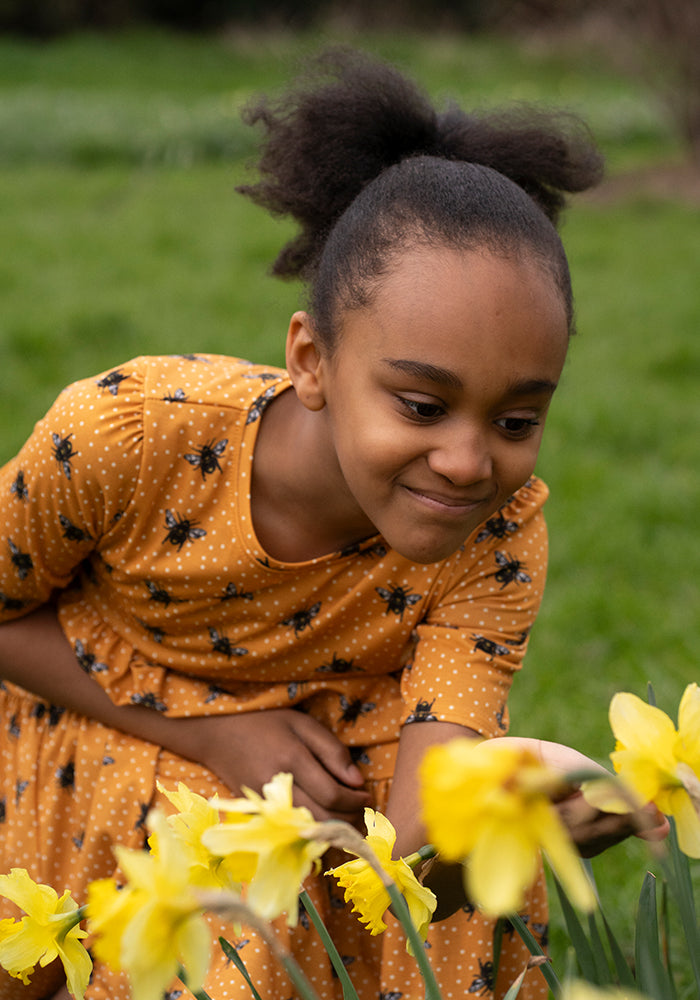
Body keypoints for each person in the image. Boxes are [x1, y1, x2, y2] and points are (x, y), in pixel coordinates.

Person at [0, 48, 660, 1000]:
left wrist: (526, 820)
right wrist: (212, 731)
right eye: (423, 407)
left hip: (329, 808)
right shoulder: (129, 437)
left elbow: (412, 866)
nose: (472, 462)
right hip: (94, 732)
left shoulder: (500, 535)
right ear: (311, 360)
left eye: (517, 422)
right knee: (218, 838)